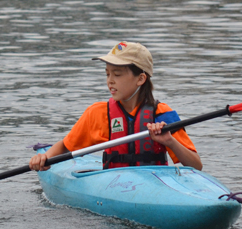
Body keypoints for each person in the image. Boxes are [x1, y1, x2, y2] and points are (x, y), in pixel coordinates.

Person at [29, 42, 202, 172]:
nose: (110, 81)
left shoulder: (162, 114)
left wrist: (170, 142)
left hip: (153, 183)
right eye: (107, 74)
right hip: (116, 185)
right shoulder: (98, 113)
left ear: (140, 79)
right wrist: (45, 159)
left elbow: (196, 165)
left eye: (117, 74)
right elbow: (66, 146)